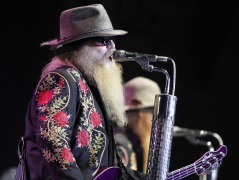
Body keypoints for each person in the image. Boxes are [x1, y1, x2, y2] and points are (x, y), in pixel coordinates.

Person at [18, 4, 145, 180]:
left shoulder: (90, 86)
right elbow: (54, 145)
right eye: (104, 40)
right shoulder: (60, 80)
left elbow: (108, 169)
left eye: (112, 39)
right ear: (79, 47)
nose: (113, 46)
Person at [124, 76, 161, 173]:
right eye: (153, 114)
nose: (157, 121)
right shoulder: (122, 146)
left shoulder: (135, 144)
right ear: (139, 114)